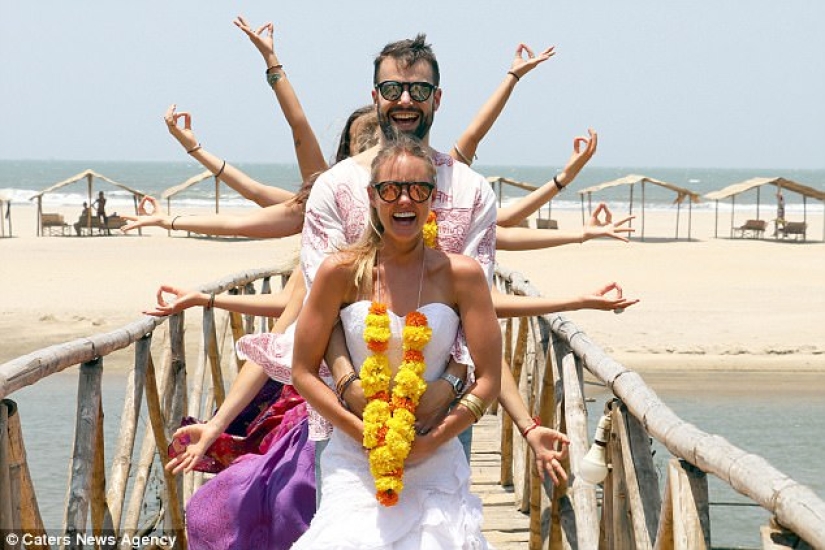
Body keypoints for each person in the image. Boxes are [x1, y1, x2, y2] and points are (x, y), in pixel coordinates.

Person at [292, 135, 500, 548]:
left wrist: (431, 442)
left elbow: (489, 379)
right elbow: (301, 370)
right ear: (372, 196)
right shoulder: (341, 272)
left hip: (435, 454)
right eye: (390, 189)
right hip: (355, 457)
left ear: (433, 197)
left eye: (418, 189)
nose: (404, 201)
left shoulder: (463, 275)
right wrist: (360, 430)